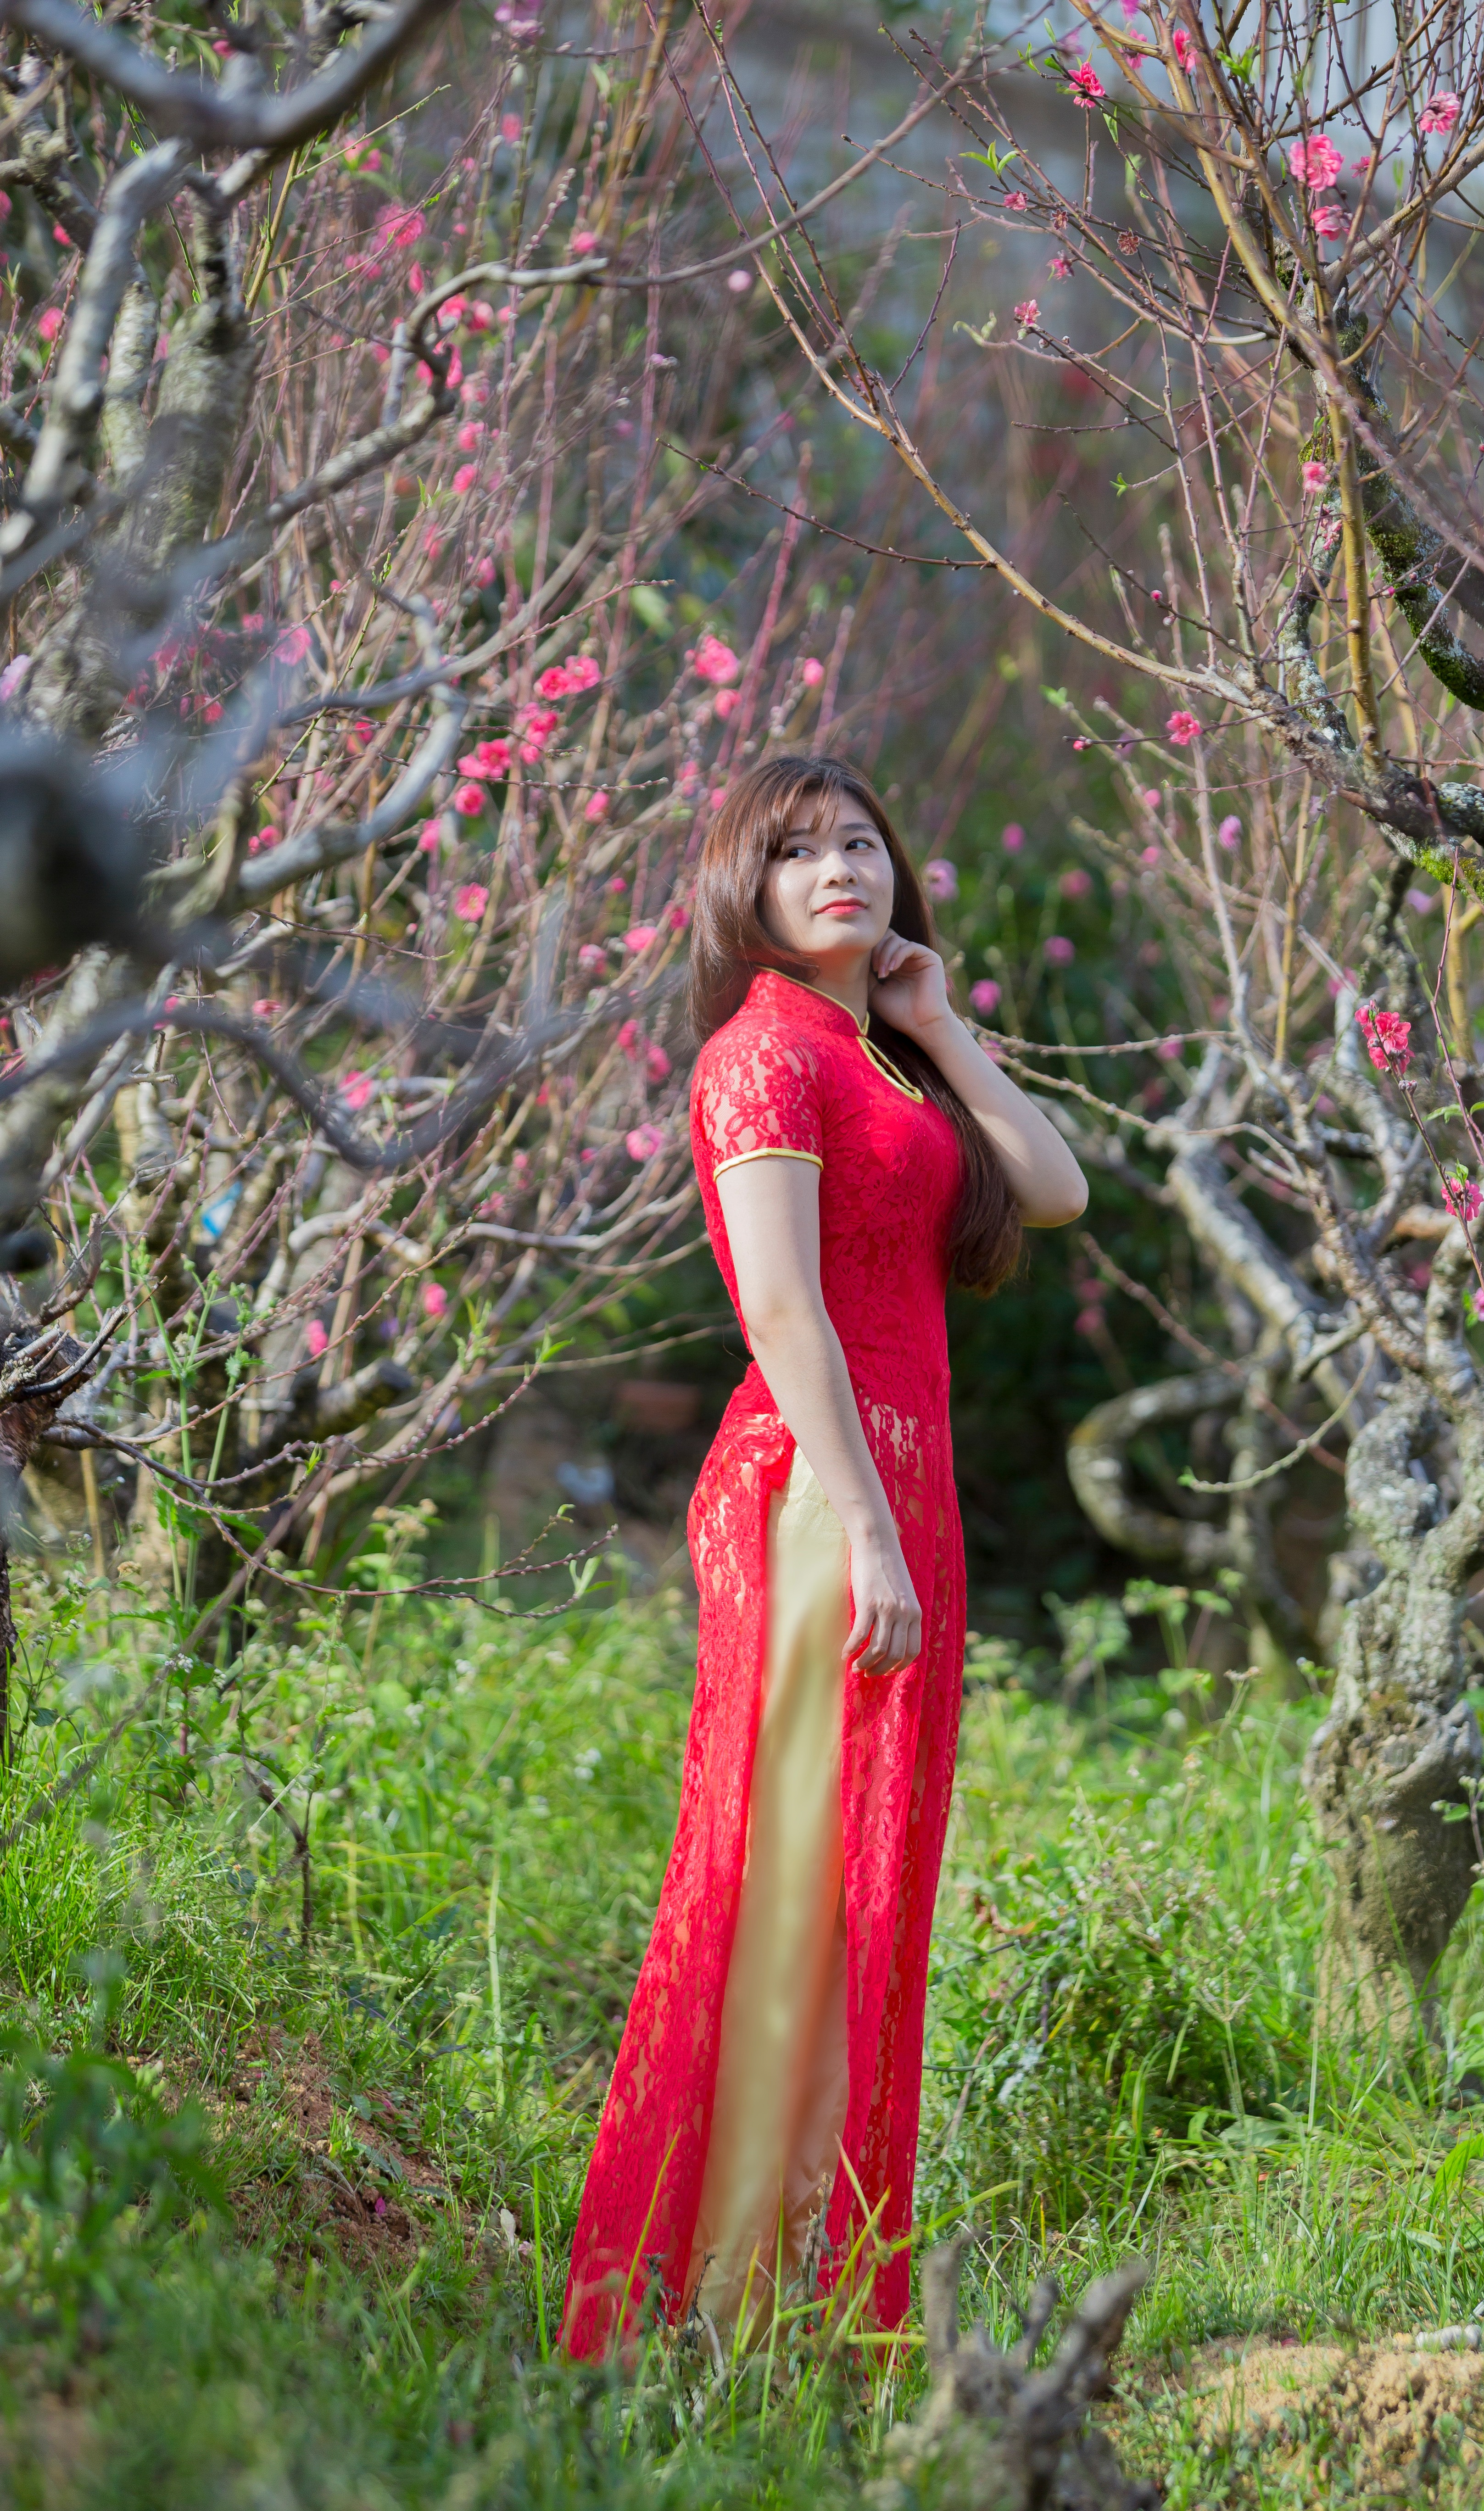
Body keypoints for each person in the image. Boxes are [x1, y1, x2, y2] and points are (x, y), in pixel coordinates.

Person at [561, 753, 1088, 2360]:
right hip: (813, 1502)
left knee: (865, 1894)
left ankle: (791, 2299)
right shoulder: (760, 1058)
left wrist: (940, 1024)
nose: (841, 867)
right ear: (751, 895)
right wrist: (863, 1525)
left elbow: (1055, 1191)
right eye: (798, 854)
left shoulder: (881, 1060)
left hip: (894, 1505)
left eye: (863, 842)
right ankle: (706, 2309)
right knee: (785, 1886)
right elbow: (781, 1309)